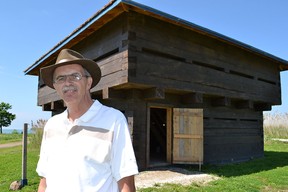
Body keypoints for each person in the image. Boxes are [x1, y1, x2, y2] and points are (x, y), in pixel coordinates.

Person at [36, 49, 139, 192]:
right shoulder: (52, 125)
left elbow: (126, 183)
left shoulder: (114, 120)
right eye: (60, 78)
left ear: (89, 82)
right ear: (55, 86)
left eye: (75, 76)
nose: (67, 83)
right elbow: (44, 181)